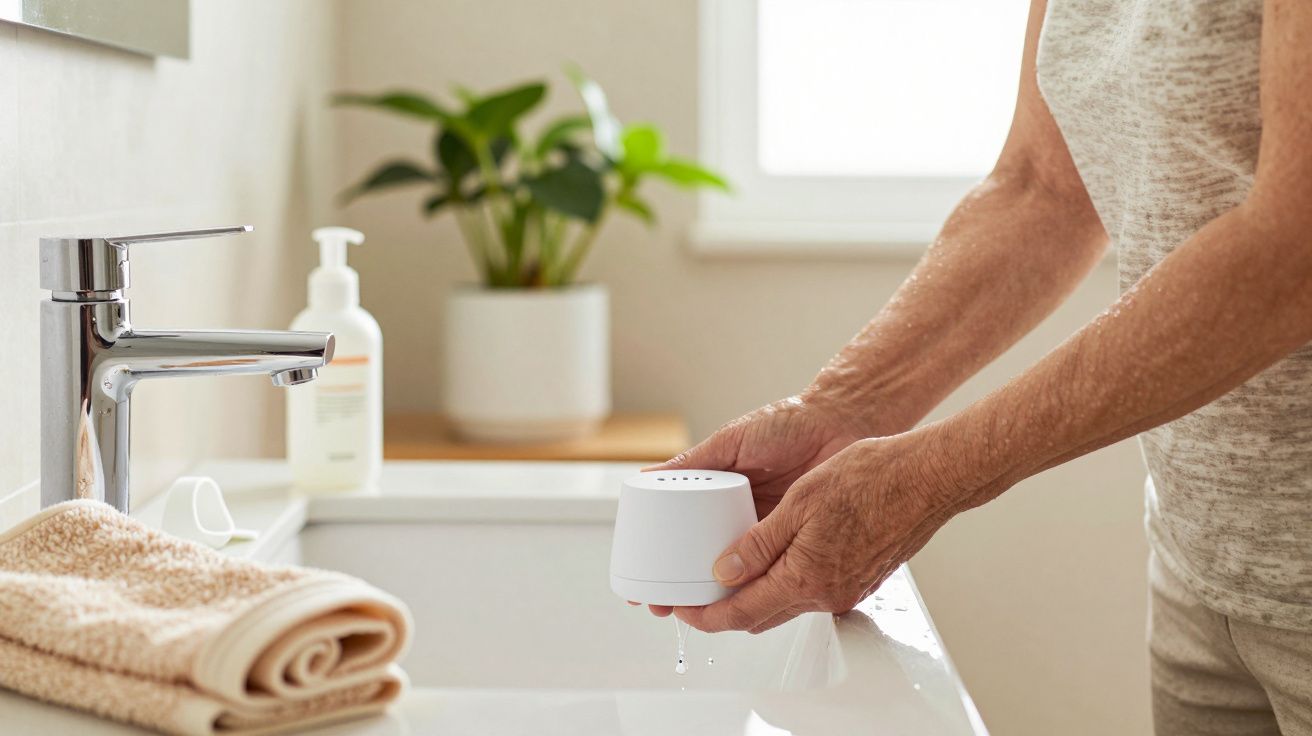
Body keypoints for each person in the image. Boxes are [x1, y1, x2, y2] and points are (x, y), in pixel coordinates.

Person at [639, 0, 1312, 732]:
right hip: (1199, 565)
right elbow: (1041, 187)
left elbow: (1293, 252)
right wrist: (841, 407)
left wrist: (927, 477)